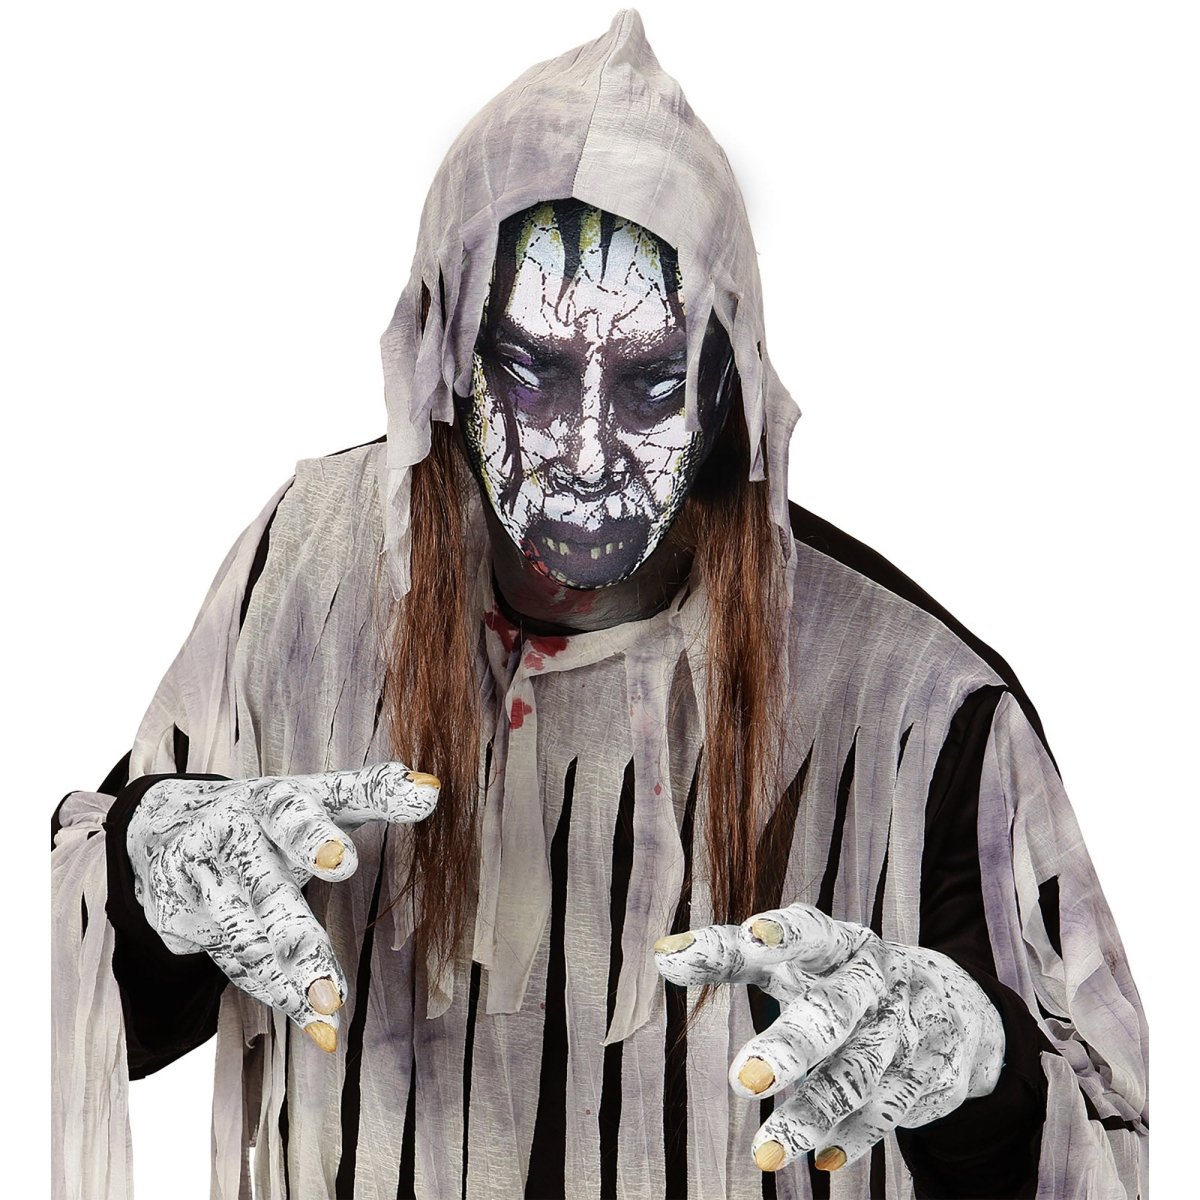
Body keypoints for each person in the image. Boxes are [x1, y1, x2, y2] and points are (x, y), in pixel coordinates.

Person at [50, 10, 1148, 1199]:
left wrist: (975, 1065)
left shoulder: (916, 711)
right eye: (529, 370)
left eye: (649, 383)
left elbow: (1095, 1141)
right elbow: (104, 1008)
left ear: (725, 387)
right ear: (449, 360)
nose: (583, 452)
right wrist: (150, 870)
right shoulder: (306, 572)